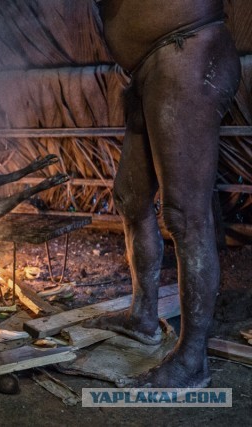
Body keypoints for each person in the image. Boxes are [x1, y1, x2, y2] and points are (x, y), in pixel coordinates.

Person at [84, 0, 241, 388]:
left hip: (185, 50)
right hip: (148, 68)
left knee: (185, 215)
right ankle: (143, 317)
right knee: (131, 198)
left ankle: (192, 359)